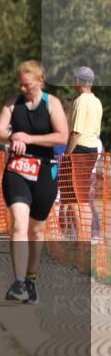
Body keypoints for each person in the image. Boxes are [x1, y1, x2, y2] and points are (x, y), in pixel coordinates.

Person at [0, 60, 68, 304]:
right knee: (18, 224)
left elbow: (62, 136)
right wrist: (13, 137)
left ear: (40, 81)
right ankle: (18, 282)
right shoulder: (13, 103)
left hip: (44, 171)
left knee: (36, 230)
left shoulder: (52, 103)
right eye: (21, 84)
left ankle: (31, 279)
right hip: (17, 169)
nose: (23, 89)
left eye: (28, 85)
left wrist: (29, 138)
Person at [65, 66, 102, 243]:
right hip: (92, 149)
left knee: (75, 197)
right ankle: (81, 238)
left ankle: (82, 239)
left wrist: (67, 154)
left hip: (79, 149)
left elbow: (76, 132)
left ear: (79, 81)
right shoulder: (97, 101)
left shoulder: (80, 101)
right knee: (81, 196)